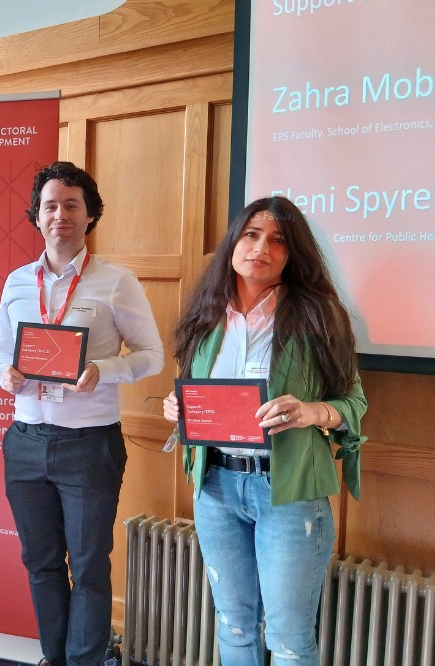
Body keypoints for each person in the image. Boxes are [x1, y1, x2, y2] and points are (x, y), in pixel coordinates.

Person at [162, 196, 367, 666]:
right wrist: (180, 407)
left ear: (293, 254)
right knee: (233, 625)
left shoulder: (319, 315)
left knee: (290, 638)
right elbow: (196, 393)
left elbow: (353, 404)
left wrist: (312, 412)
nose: (261, 247)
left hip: (288, 491)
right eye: (251, 234)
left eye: (277, 240)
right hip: (215, 487)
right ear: (234, 240)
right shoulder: (206, 314)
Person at [0, 161, 164, 666]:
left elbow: (151, 354)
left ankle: (84, 660)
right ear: (37, 216)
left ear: (89, 216)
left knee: (88, 567)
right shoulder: (18, 281)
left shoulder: (116, 281)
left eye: (71, 205)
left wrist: (103, 370)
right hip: (24, 442)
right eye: (50, 206)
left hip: (88, 444)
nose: (60, 214)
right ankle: (54, 656)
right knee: (41, 563)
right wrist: (5, 373)